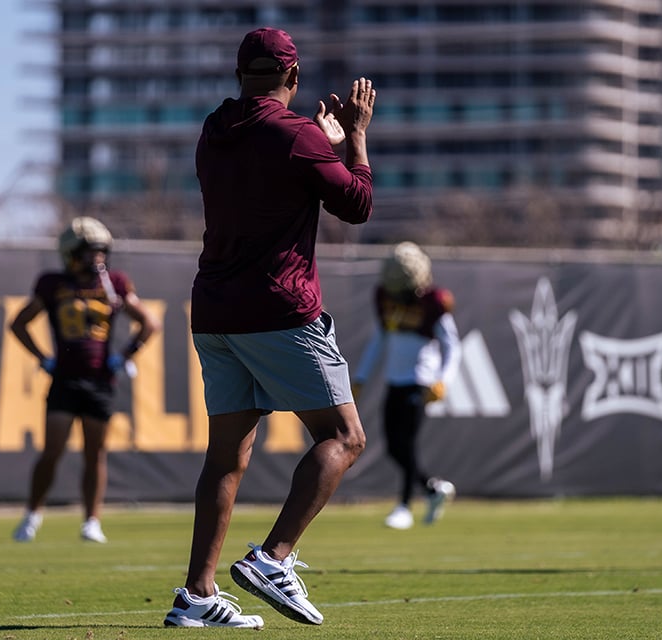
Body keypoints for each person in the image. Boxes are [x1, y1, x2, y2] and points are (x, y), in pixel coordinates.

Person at [162, 27, 375, 629]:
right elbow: (356, 205)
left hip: (215, 310)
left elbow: (271, 163)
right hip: (279, 308)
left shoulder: (213, 129)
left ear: (239, 74)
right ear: (294, 77)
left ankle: (197, 595)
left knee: (227, 457)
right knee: (346, 436)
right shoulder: (298, 134)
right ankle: (272, 558)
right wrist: (351, 137)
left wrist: (317, 144)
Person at [10, 216, 160, 544]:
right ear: (71, 253)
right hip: (64, 379)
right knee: (52, 451)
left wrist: (126, 355)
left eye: (101, 251)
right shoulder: (52, 284)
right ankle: (32, 515)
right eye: (91, 252)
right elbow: (18, 323)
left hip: (100, 381)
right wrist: (43, 358)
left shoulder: (115, 283)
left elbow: (149, 323)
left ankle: (92, 521)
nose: (98, 258)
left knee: (96, 454)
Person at [351, 242, 461, 530]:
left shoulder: (433, 302)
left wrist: (442, 381)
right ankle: (432, 488)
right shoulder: (385, 298)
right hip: (394, 380)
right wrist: (360, 377)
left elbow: (452, 346)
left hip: (420, 380)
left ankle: (403, 506)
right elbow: (379, 339)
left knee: (407, 444)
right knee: (393, 446)